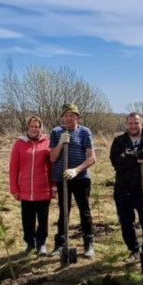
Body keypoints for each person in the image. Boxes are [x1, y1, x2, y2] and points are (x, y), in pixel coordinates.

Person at [49, 103, 97, 258]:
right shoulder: (56, 132)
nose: (69, 118)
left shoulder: (84, 132)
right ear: (63, 117)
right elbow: (52, 157)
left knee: (85, 210)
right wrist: (61, 143)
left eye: (72, 115)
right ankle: (60, 244)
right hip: (62, 177)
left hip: (81, 178)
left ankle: (89, 244)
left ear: (77, 117)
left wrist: (76, 170)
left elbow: (92, 158)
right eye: (66, 115)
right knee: (64, 210)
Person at [109, 112, 143, 261]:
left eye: (136, 123)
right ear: (126, 125)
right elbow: (116, 161)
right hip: (123, 188)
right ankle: (134, 250)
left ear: (141, 123)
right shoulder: (119, 140)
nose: (133, 126)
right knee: (126, 222)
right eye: (130, 123)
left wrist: (129, 155)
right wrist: (138, 160)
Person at [9, 115, 54, 256]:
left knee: (42, 219)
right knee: (27, 219)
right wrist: (14, 189)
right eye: (32, 126)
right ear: (27, 127)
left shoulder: (48, 143)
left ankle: (41, 244)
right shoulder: (19, 143)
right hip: (25, 190)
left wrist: (54, 187)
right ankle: (30, 243)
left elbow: (53, 166)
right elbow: (13, 167)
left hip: (43, 189)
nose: (34, 129)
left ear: (41, 128)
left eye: (37, 126)